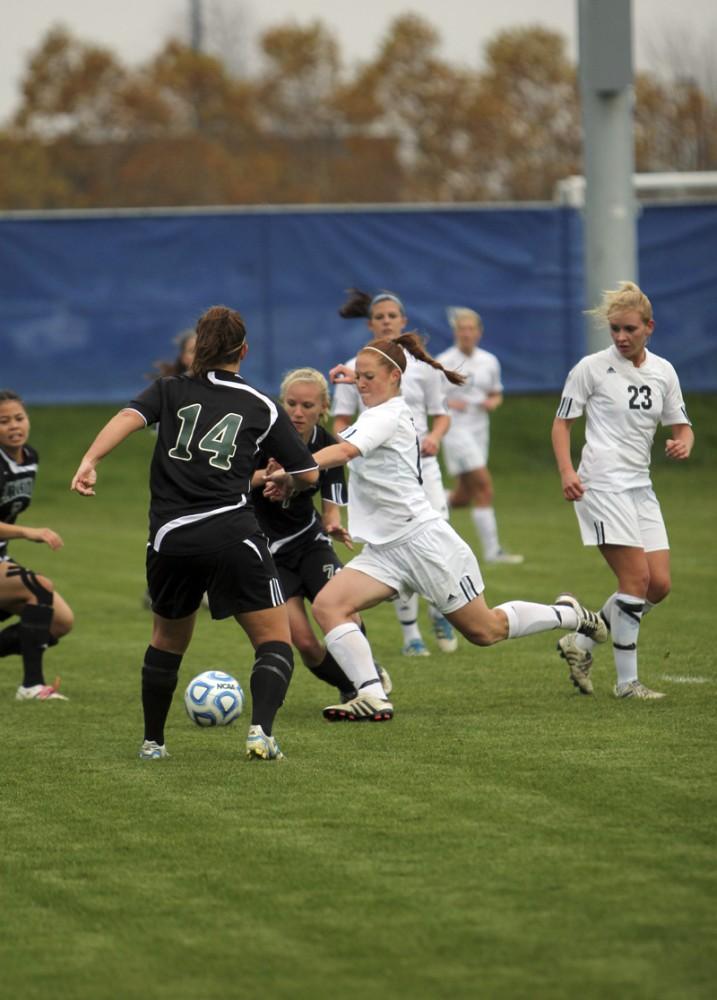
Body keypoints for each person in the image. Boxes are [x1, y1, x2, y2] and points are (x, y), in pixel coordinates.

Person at [270, 334, 608, 722]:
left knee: (485, 631)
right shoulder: (379, 410)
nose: (360, 384)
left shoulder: (388, 414)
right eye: (357, 377)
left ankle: (568, 613)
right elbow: (344, 441)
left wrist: (294, 469)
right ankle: (372, 694)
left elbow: (343, 451)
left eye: (368, 377)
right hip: (385, 550)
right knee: (330, 606)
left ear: (395, 376)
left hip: (423, 543)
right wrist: (356, 377)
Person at [71, 305, 319, 760]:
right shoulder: (261, 405)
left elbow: (127, 417)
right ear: (244, 350)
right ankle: (260, 733)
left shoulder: (168, 389)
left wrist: (90, 460)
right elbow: (307, 473)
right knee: (273, 640)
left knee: (166, 641)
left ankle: (153, 743)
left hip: (172, 540)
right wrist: (286, 481)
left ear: (197, 349)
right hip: (233, 533)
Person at [551, 281, 694, 699]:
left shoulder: (664, 371)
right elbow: (562, 423)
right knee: (635, 579)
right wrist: (565, 471)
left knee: (659, 585)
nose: (620, 337)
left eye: (629, 329)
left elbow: (681, 424)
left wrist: (683, 440)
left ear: (650, 326)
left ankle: (580, 640)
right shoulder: (590, 368)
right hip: (600, 484)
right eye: (614, 329)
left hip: (640, 487)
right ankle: (627, 683)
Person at [251, 367, 390, 702]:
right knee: (305, 642)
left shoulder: (328, 446)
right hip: (272, 556)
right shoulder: (261, 439)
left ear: (322, 408)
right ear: (281, 404)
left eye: (307, 406)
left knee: (348, 613)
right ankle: (349, 685)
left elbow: (330, 509)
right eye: (292, 404)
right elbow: (235, 480)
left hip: (310, 542)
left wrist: (333, 524)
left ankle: (365, 675)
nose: (298, 412)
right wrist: (268, 478)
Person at [332, 288, 458, 657]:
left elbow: (441, 415)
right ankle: (410, 635)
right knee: (391, 544)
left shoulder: (421, 366)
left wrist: (434, 436)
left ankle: (441, 608)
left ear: (403, 322)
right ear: (370, 324)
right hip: (380, 472)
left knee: (438, 538)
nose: (386, 321)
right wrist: (344, 443)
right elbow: (342, 417)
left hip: (424, 466)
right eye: (380, 317)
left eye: (393, 316)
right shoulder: (355, 366)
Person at [0, 390, 74, 700]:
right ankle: (32, 686)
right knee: (39, 587)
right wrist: (30, 532)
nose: (14, 425)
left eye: (19, 418)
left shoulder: (30, 458)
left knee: (60, 622)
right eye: (4, 421)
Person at [437, 307, 523, 564]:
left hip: (479, 429)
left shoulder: (489, 361)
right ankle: (492, 551)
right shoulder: (444, 361)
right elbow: (433, 398)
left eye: (471, 329)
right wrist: (450, 403)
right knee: (484, 486)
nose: (466, 334)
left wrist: (493, 402)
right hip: (455, 430)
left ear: (479, 332)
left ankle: (429, 500)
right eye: (461, 329)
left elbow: (496, 392)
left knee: (464, 496)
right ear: (455, 332)